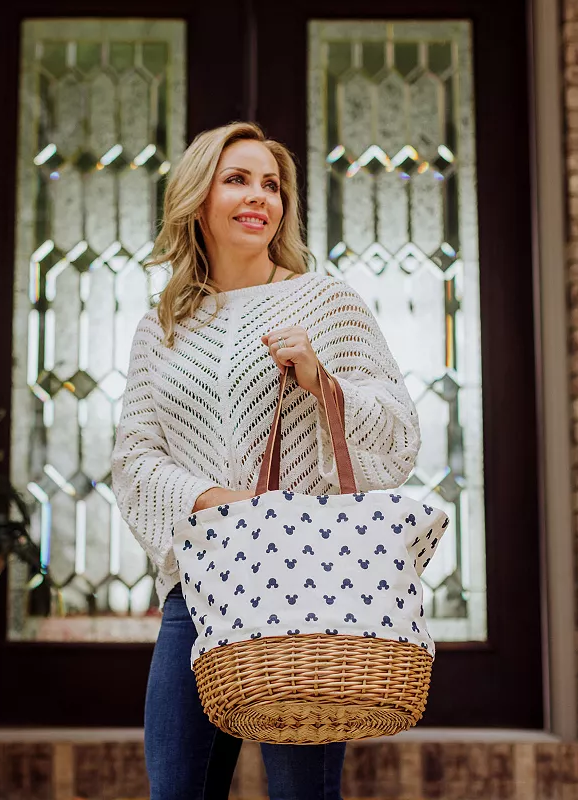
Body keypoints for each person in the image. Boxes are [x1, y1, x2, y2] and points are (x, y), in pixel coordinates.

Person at [111, 121, 420, 800]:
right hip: (196, 593)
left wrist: (323, 382)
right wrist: (213, 501)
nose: (260, 198)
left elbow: (398, 435)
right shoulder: (160, 326)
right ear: (197, 199)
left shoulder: (327, 301)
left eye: (272, 185)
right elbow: (133, 458)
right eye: (238, 179)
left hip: (305, 589)